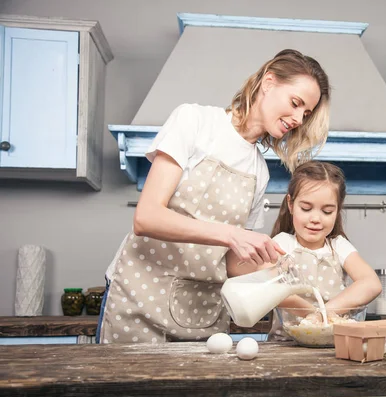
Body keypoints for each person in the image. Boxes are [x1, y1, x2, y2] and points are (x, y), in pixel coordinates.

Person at [97, 49, 331, 343]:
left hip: (202, 313)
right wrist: (232, 234)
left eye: (306, 113)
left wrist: (286, 283)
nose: (298, 118)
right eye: (295, 103)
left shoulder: (259, 171)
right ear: (268, 83)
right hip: (139, 299)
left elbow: (234, 262)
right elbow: (147, 217)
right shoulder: (195, 122)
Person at [227, 161, 382, 340]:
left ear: (338, 210)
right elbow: (268, 287)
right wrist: (310, 314)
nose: (316, 218)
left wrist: (326, 313)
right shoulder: (281, 245)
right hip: (285, 346)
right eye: (306, 208)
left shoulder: (339, 246)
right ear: (291, 204)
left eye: (327, 211)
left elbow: (371, 283)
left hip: (332, 344)